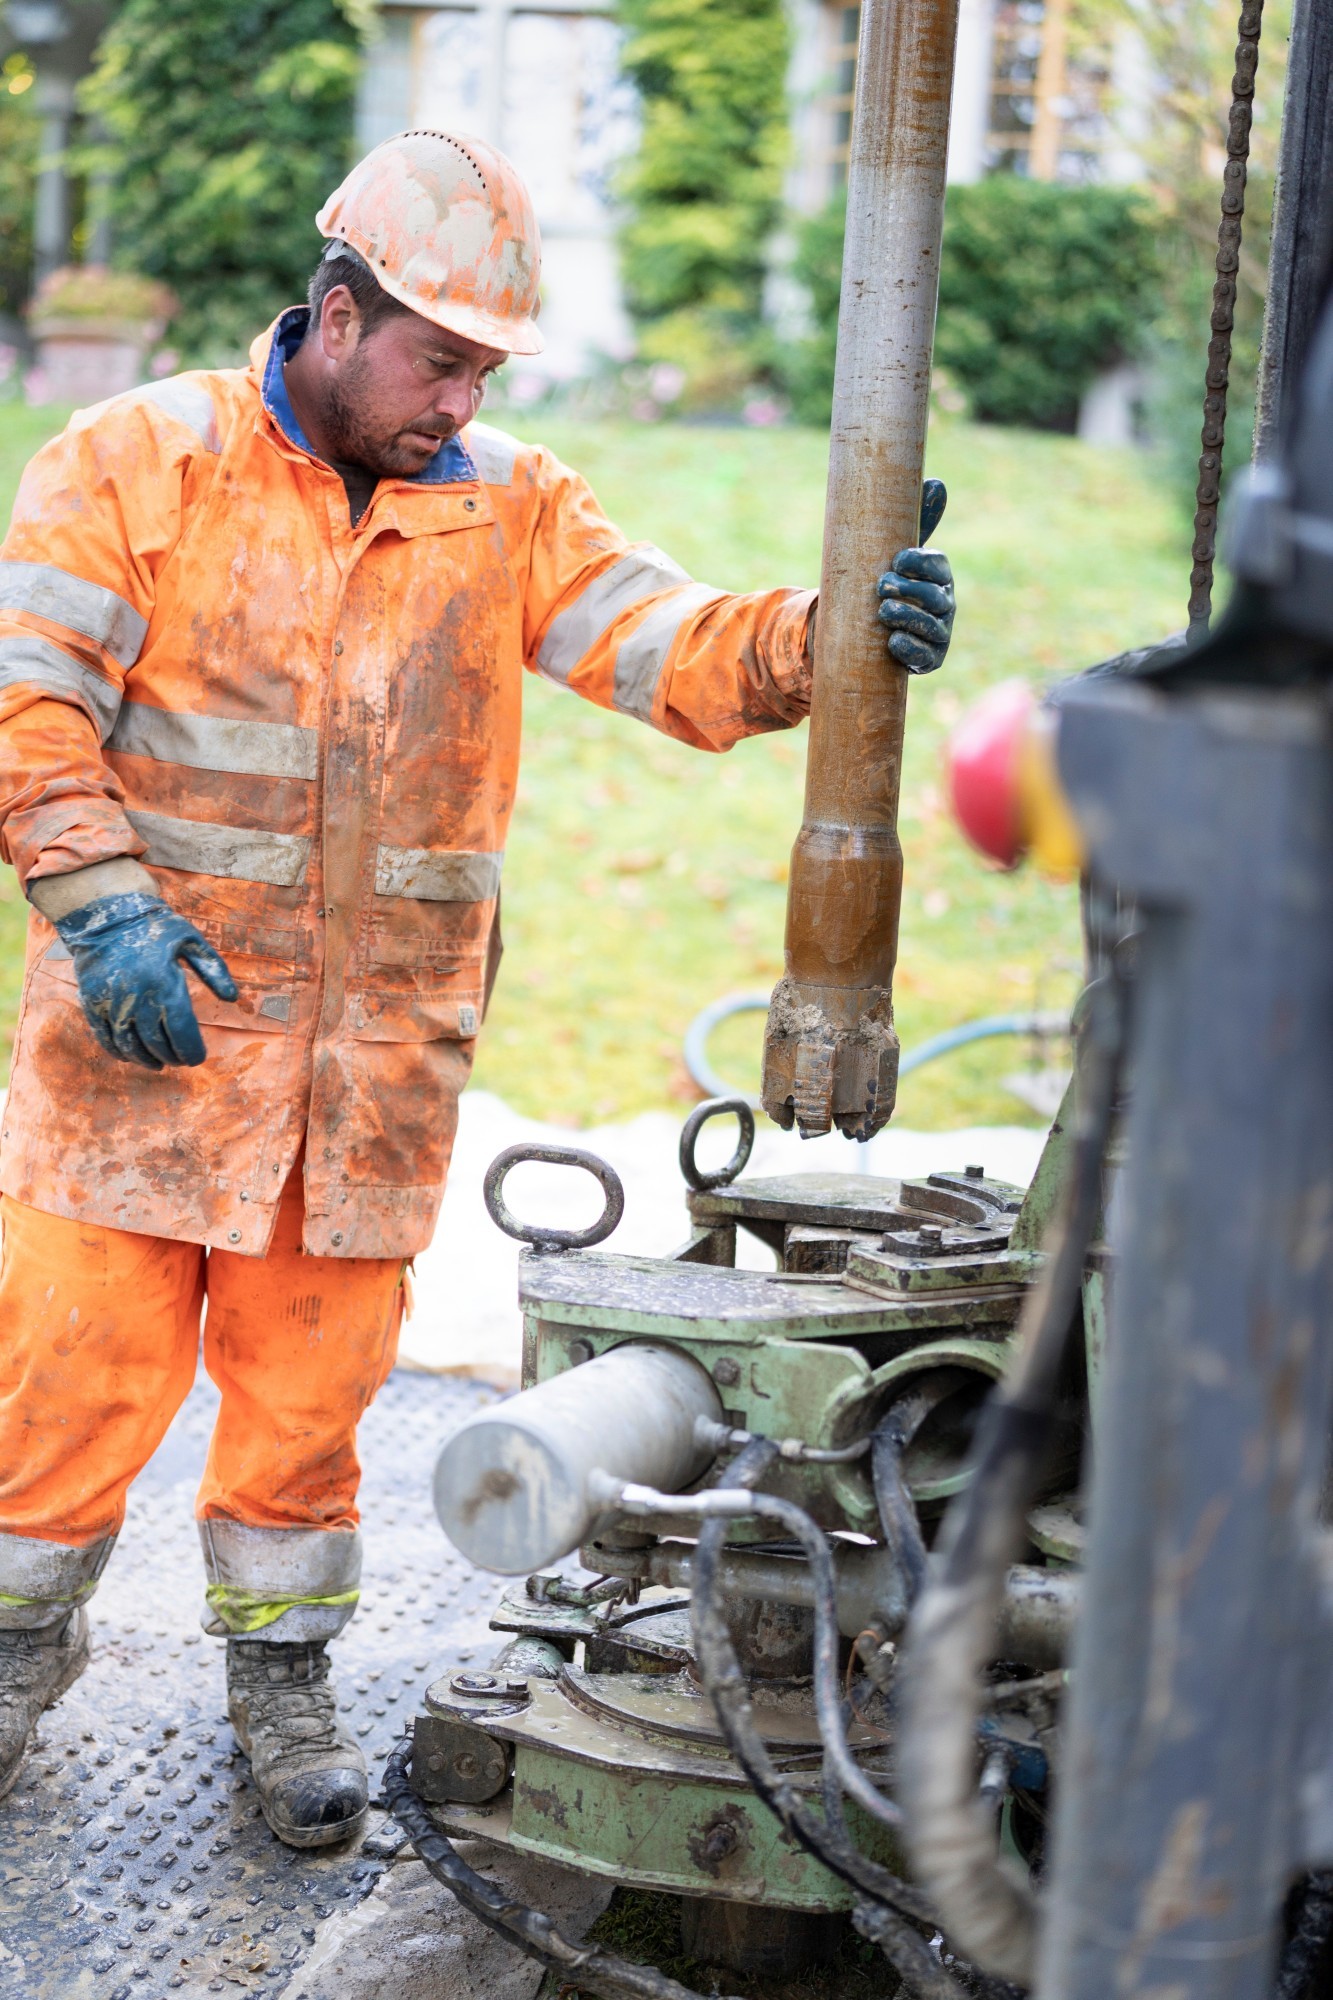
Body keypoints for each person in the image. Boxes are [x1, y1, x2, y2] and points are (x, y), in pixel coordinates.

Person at [0, 129, 956, 1847]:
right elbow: (28, 694)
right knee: (63, 1389)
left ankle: (281, 1694)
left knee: (305, 1418)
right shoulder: (135, 461)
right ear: (338, 311)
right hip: (144, 1048)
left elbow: (668, 647)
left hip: (367, 1074)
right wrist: (100, 900)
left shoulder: (503, 503)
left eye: (485, 367)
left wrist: (835, 631)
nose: (460, 397)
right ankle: (6, 1668)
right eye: (438, 359)